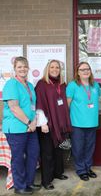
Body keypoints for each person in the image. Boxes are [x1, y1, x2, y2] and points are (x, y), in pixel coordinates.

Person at [2, 56, 40, 194]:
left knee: (33, 154)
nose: (22, 69)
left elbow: (32, 106)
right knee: (18, 157)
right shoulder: (11, 84)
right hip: (16, 128)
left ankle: (29, 182)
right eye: (19, 67)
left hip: (30, 127)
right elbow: (14, 107)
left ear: (28, 68)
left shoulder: (29, 85)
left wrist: (34, 121)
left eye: (25, 66)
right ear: (15, 69)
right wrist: (29, 122)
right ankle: (20, 186)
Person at [35, 60, 72, 190]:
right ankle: (46, 180)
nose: (55, 69)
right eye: (52, 67)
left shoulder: (62, 84)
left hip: (60, 124)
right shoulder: (41, 84)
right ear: (47, 69)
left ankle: (57, 173)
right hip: (47, 124)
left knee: (58, 150)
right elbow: (39, 104)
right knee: (47, 153)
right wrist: (43, 123)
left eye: (57, 67)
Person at [66, 62, 101, 181]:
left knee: (90, 147)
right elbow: (68, 104)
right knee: (78, 147)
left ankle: (88, 167)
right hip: (77, 123)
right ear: (78, 72)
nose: (85, 71)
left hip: (92, 122)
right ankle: (81, 170)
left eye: (87, 69)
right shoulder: (72, 86)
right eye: (82, 70)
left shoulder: (95, 85)